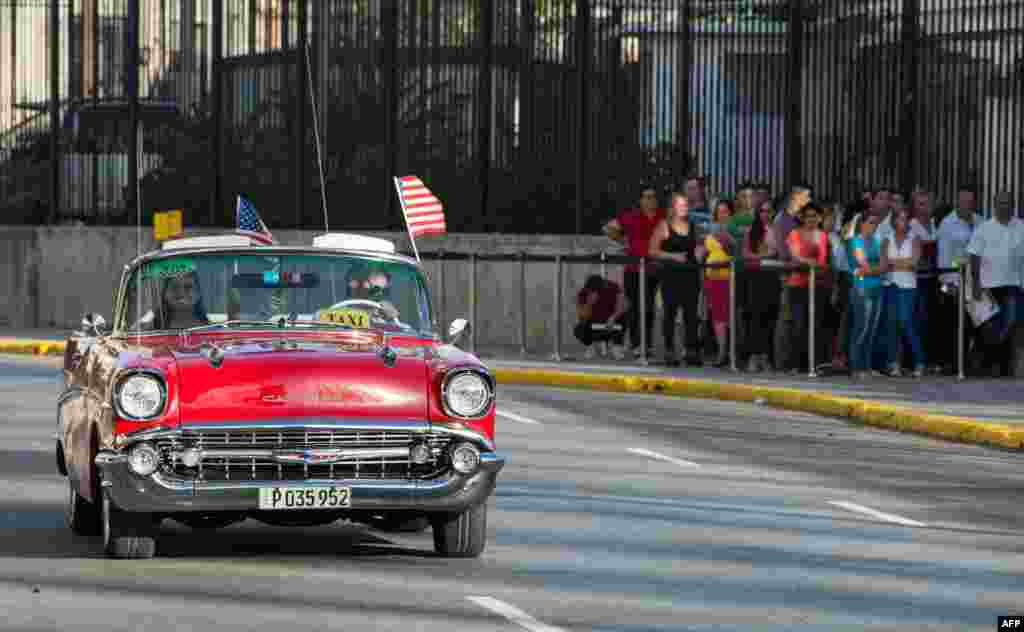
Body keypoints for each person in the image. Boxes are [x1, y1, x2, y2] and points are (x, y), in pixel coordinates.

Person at [603, 187, 666, 358]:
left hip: (654, 269)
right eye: (646, 197)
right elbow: (608, 228)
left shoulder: (663, 216)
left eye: (653, 197)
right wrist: (624, 241)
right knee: (635, 308)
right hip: (633, 269)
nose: (650, 200)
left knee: (649, 308)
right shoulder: (631, 216)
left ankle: (647, 345)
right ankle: (637, 345)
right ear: (640, 200)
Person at [966, 190, 1023, 377]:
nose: (1004, 206)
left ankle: (998, 363)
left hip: (1013, 284)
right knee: (990, 328)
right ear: (994, 205)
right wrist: (975, 284)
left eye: (1007, 203)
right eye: (1000, 203)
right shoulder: (983, 228)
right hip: (988, 286)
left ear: (1013, 205)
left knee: (1010, 323)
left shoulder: (1021, 227)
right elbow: (974, 256)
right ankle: (989, 363)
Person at [649, 192, 703, 366]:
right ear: (672, 207)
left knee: (691, 315)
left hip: (691, 275)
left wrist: (701, 253)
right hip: (671, 276)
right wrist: (672, 256)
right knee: (670, 314)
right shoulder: (664, 226)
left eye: (686, 205)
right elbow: (652, 250)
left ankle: (691, 351)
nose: (684, 208)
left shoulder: (693, 226)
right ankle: (669, 351)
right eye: (680, 205)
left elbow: (699, 247)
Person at [934, 187, 979, 374]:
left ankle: (968, 362)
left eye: (969, 202)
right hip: (955, 280)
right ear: (957, 202)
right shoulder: (947, 224)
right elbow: (944, 258)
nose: (965, 205)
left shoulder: (980, 221)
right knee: (955, 324)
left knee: (974, 323)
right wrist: (948, 283)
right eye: (962, 201)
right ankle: (955, 363)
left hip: (976, 281)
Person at [879, 208, 925, 377]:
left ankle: (919, 361)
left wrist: (894, 263)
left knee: (906, 321)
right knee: (892, 324)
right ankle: (894, 363)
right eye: (900, 219)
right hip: (890, 284)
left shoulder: (915, 239)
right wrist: (903, 263)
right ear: (894, 221)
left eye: (906, 219)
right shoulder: (886, 239)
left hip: (908, 286)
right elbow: (883, 264)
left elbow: (914, 263)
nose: (903, 223)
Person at [785, 205, 830, 374]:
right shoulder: (794, 234)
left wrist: (811, 262)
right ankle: (795, 364)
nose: (811, 219)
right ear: (802, 218)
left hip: (817, 284)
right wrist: (810, 261)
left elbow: (823, 258)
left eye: (815, 216)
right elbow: (795, 256)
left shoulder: (822, 235)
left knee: (816, 324)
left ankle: (814, 364)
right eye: (808, 216)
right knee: (798, 324)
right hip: (797, 284)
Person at [741, 200, 781, 371]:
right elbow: (745, 253)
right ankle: (753, 356)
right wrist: (762, 256)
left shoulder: (776, 231)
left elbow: (778, 252)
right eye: (763, 211)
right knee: (755, 318)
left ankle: (765, 357)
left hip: (772, 278)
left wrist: (765, 254)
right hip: (755, 278)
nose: (766, 214)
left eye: (769, 211)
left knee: (769, 318)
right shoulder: (751, 231)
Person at [848, 214, 885, 378]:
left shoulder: (876, 241)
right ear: (861, 224)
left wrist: (874, 268)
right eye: (870, 222)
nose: (874, 225)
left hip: (877, 287)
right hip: (862, 288)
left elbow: (884, 264)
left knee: (872, 329)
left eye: (875, 223)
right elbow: (865, 265)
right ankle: (856, 367)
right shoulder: (855, 241)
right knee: (861, 327)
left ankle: (867, 366)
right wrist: (877, 268)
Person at [701, 200, 735, 367]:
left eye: (726, 212)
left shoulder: (734, 230)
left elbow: (734, 251)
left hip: (729, 278)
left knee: (729, 316)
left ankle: (731, 352)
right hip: (711, 279)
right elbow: (705, 253)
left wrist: (725, 237)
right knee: (717, 317)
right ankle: (721, 352)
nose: (722, 215)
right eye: (719, 212)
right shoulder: (711, 231)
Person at [575, 275, 628, 360]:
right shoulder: (583, 293)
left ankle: (617, 348)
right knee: (579, 328)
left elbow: (623, 305)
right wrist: (589, 304)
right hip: (594, 325)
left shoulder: (613, 287)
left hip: (611, 324)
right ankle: (591, 348)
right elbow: (581, 316)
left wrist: (613, 317)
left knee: (623, 318)